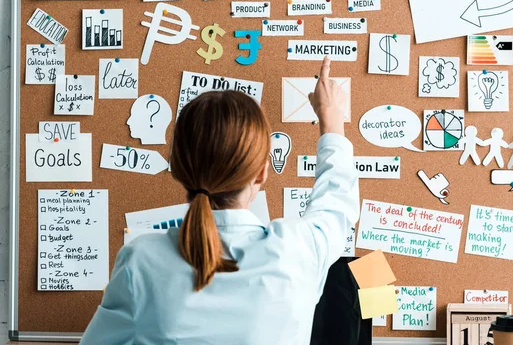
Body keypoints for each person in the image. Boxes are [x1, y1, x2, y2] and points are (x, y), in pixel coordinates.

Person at [80, 57, 360, 345]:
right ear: (263, 172)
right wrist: (331, 119)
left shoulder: (140, 261)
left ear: (177, 167)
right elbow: (336, 201)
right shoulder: (297, 250)